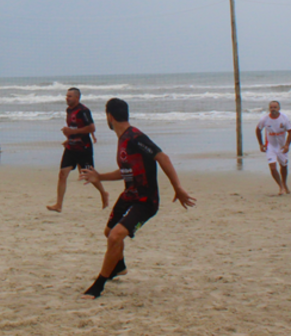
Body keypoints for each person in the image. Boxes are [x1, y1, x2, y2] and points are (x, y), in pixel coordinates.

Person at [78, 98, 196, 299]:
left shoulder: (135, 137)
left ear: (109, 116)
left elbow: (162, 157)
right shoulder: (123, 138)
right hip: (129, 195)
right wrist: (100, 176)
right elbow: (126, 171)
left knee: (116, 236)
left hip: (146, 201)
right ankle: (119, 266)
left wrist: (178, 187)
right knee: (109, 232)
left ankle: (98, 286)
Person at [47, 87, 108, 212]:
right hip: (71, 147)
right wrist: (69, 137)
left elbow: (91, 127)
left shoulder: (83, 111)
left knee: (88, 175)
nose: (67, 98)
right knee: (62, 174)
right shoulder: (69, 110)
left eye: (70, 96)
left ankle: (103, 193)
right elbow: (73, 127)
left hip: (83, 148)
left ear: (77, 98)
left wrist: (73, 132)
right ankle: (59, 205)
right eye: (66, 96)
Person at [255, 100, 291, 196]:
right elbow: (258, 130)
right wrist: (261, 144)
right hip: (270, 146)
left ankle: (284, 183)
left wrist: (287, 144)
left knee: (284, 166)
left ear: (279, 108)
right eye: (271, 107)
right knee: (272, 167)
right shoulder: (265, 119)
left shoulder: (284, 119)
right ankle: (280, 186)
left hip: (281, 146)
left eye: (275, 107)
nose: (273, 109)